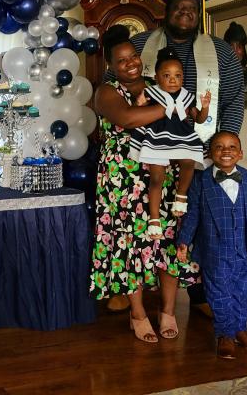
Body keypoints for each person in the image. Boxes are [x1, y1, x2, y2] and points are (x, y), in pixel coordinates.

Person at [130, 0, 245, 309]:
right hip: (149, 145)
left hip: (198, 149)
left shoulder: (220, 50)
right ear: (166, 12)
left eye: (191, 9)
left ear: (199, 15)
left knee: (194, 220)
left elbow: (234, 98)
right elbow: (120, 84)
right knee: (144, 216)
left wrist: (223, 144)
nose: (185, 13)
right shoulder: (140, 45)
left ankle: (199, 294)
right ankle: (133, 287)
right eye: (179, 8)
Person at [89, 24, 199, 343]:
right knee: (133, 245)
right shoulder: (106, 91)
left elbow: (184, 120)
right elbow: (128, 119)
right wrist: (169, 106)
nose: (130, 63)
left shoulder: (155, 85)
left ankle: (167, 311)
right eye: (121, 60)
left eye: (133, 56)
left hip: (161, 176)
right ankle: (137, 314)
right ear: (110, 65)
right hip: (124, 180)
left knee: (167, 241)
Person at [176, 131, 247, 359]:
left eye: (231, 147)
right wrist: (184, 241)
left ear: (240, 154)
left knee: (240, 291)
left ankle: (240, 330)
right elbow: (193, 215)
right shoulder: (201, 180)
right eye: (219, 147)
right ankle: (224, 335)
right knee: (219, 293)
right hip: (214, 249)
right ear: (210, 153)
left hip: (243, 248)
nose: (225, 151)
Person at [130, 47, 211, 240]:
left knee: (189, 161)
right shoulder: (151, 93)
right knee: (157, 178)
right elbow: (135, 114)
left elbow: (198, 119)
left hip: (182, 135)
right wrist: (139, 105)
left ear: (183, 78)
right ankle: (155, 218)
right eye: (167, 75)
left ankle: (181, 195)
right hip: (158, 135)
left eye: (177, 76)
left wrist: (205, 107)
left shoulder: (186, 96)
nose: (173, 80)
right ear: (157, 77)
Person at [223, 21, 247, 89]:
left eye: (239, 47)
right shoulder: (222, 75)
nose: (235, 51)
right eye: (231, 46)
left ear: (243, 50)